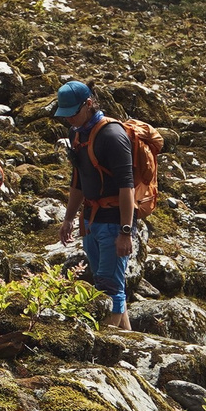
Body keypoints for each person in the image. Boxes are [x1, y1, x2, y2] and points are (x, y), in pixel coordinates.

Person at [53, 80, 137, 331]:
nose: (69, 120)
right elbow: (78, 180)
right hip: (90, 220)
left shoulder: (112, 136)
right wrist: (69, 218)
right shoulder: (77, 134)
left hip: (113, 221)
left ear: (88, 104)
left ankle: (109, 347)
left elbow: (127, 187)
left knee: (110, 287)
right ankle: (130, 344)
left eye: (73, 114)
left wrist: (125, 231)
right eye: (65, 115)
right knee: (105, 283)